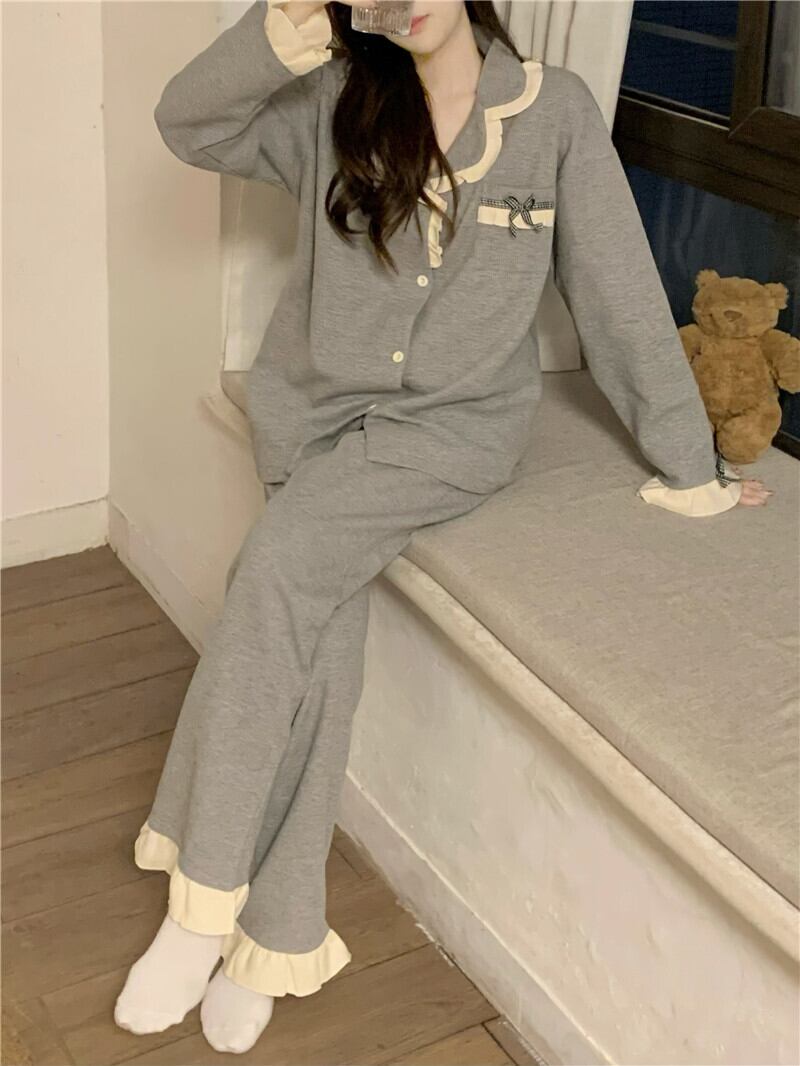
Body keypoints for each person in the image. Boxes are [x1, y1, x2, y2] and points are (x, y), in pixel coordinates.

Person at [114, 0, 773, 1054]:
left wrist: (690, 465)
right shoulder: (334, 100)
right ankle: (272, 932)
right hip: (310, 417)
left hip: (447, 437)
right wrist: (286, 24)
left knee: (276, 570)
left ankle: (198, 906)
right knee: (319, 633)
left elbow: (616, 294)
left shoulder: (552, 112)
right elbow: (186, 122)